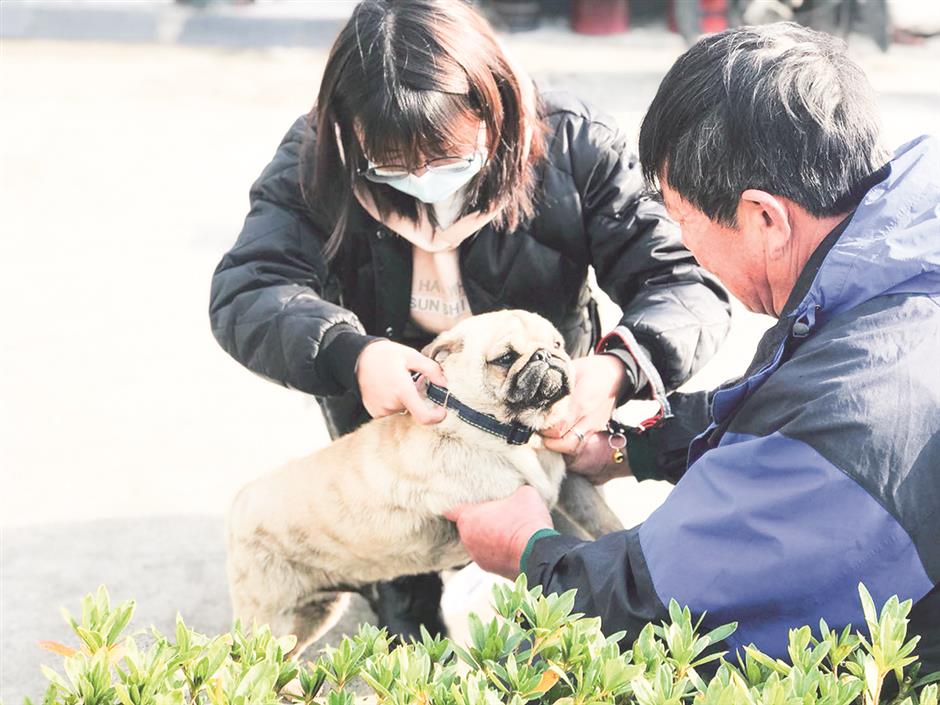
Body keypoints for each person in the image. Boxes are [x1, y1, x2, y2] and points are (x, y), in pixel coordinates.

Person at [208, 0, 731, 640]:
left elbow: (682, 279)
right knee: (409, 627)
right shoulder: (320, 157)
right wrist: (350, 354)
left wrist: (621, 366)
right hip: (395, 443)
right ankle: (403, 599)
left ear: (496, 105)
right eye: (395, 165)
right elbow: (250, 288)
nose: (425, 179)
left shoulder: (571, 142)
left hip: (539, 423)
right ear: (349, 132)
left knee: (572, 608)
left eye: (448, 155)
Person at [447, 22, 940, 674]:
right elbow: (788, 404)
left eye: (684, 223)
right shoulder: (898, 264)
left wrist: (526, 546)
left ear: (765, 218)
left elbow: (662, 601)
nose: (685, 249)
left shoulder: (854, 422)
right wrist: (629, 447)